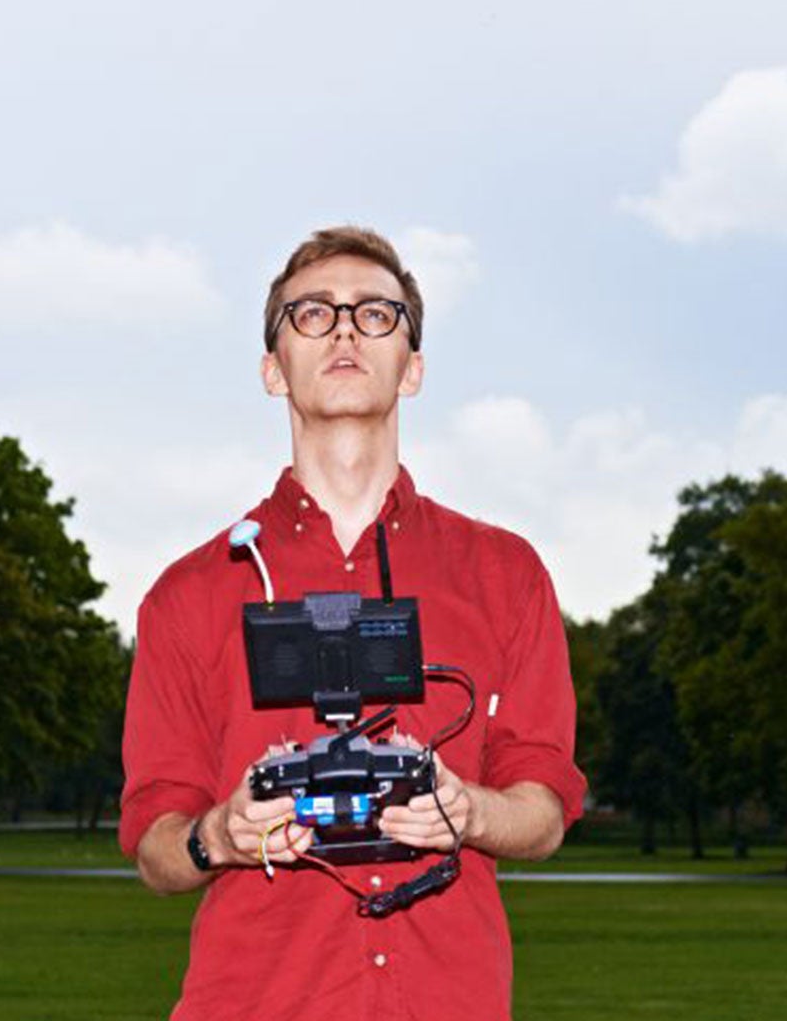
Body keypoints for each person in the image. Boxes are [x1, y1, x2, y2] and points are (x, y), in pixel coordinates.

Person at [120, 225, 586, 1021]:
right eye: (312, 314)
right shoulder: (189, 595)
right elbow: (156, 847)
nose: (343, 327)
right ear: (273, 369)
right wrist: (220, 834)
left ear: (413, 367)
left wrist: (470, 810)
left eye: (376, 314)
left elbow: (542, 811)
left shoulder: (503, 574)